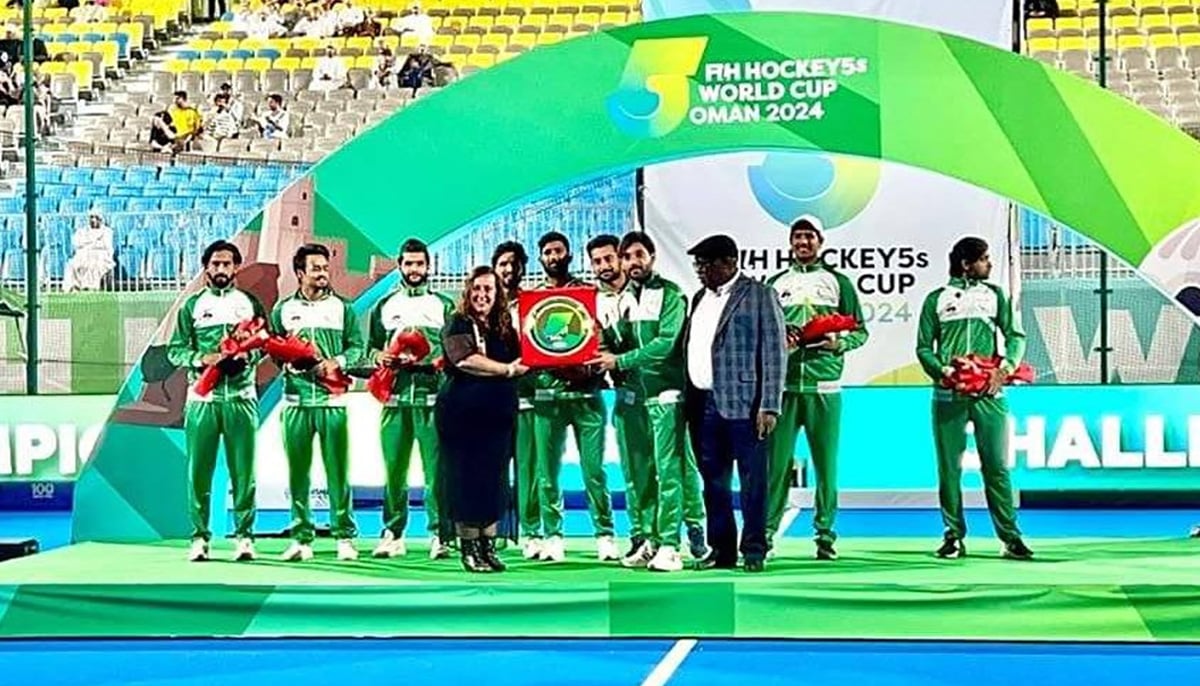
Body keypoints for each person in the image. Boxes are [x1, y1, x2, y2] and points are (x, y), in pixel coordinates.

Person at [590, 231, 707, 573]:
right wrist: (599, 344)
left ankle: (675, 542)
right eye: (627, 257)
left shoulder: (670, 294)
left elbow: (665, 344)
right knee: (637, 473)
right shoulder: (621, 301)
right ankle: (648, 539)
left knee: (671, 470)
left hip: (666, 396)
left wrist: (619, 361)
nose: (632, 262)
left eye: (638, 255)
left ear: (652, 257)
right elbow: (614, 344)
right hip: (630, 399)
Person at [916, 236, 1034, 561]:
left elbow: (1015, 335)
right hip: (948, 394)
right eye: (984, 259)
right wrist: (943, 371)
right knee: (949, 469)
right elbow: (924, 347)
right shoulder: (936, 300)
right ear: (967, 263)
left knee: (996, 466)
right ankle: (953, 536)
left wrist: (1005, 369)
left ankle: (1011, 538)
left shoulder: (995, 295)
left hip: (989, 393)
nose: (989, 265)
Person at [765, 216, 868, 561]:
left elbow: (860, 332)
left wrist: (838, 342)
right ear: (790, 242)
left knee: (826, 468)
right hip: (783, 388)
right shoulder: (775, 283)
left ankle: (825, 536)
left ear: (820, 241)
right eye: (797, 237)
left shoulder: (839, 282)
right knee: (776, 468)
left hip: (825, 387)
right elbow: (763, 333)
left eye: (809, 236)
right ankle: (764, 536)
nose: (803, 242)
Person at [684, 235, 786, 573]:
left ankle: (755, 549)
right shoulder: (699, 297)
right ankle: (721, 549)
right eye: (697, 264)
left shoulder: (759, 295)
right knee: (713, 481)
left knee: (752, 480)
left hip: (746, 405)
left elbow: (775, 353)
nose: (700, 270)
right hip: (702, 403)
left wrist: (769, 405)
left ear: (729, 262)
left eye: (706, 263)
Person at [167, 240, 267, 563]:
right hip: (202, 400)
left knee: (244, 472)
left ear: (236, 267)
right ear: (206, 268)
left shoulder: (249, 303)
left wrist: (247, 357)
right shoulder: (192, 306)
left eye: (227, 264)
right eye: (215, 264)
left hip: (241, 398)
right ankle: (199, 537)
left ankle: (245, 537)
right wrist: (204, 358)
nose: (221, 269)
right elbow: (175, 350)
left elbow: (265, 343)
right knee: (199, 472)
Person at [270, 243, 365, 562]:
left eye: (325, 268)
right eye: (316, 268)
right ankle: (301, 538)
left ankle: (345, 537)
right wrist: (286, 363)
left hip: (332, 402)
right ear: (300, 273)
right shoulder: (282, 310)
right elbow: (273, 349)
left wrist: (335, 362)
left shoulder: (343, 308)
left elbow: (356, 349)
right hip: (295, 402)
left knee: (338, 471)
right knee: (298, 473)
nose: (323, 274)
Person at [527, 231, 617, 563]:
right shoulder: (531, 301)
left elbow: (601, 341)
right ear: (541, 258)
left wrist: (588, 370)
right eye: (547, 252)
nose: (553, 256)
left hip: (586, 396)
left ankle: (605, 534)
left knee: (594, 470)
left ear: (569, 254)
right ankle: (552, 536)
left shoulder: (588, 295)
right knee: (546, 472)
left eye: (558, 251)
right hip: (547, 398)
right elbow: (531, 348)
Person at [436, 266, 529, 573]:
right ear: (468, 291)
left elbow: (524, 358)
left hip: (498, 418)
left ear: (498, 294)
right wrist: (505, 370)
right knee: (466, 479)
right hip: (462, 418)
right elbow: (464, 360)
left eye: (489, 289)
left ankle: (488, 546)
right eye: (477, 288)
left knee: (495, 480)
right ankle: (469, 548)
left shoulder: (505, 327)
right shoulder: (458, 322)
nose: (482, 294)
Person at [367, 238, 455, 560]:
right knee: (394, 472)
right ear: (400, 266)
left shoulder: (444, 305)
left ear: (428, 267)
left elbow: (455, 353)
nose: (414, 269)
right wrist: (382, 358)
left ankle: (440, 535)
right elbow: (371, 349)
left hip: (433, 400)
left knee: (436, 472)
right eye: (408, 264)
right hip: (394, 400)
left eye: (420, 264)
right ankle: (392, 533)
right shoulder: (385, 306)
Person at [588, 234, 650, 562]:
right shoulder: (592, 303)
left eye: (609, 259)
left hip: (659, 393)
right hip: (624, 394)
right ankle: (640, 535)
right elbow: (594, 347)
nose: (604, 266)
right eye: (597, 261)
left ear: (622, 259)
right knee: (632, 469)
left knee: (669, 469)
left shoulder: (645, 294)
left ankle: (685, 534)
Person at [492, 241, 542, 559]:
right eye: (503, 264)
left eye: (514, 263)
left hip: (526, 398)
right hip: (491, 401)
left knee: (529, 469)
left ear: (523, 267)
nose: (509, 269)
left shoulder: (535, 304)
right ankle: (494, 530)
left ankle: (532, 531)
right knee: (493, 468)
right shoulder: (483, 305)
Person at [62, 211, 114, 292]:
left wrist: (90, 244)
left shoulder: (107, 231)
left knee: (94, 265)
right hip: (83, 254)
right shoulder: (82, 231)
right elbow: (76, 242)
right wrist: (92, 243)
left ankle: (90, 287)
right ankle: (73, 286)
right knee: (71, 265)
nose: (93, 220)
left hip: (100, 256)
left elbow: (106, 246)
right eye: (91, 217)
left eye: (96, 217)